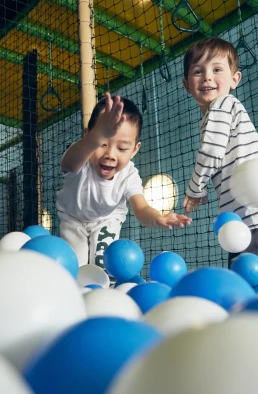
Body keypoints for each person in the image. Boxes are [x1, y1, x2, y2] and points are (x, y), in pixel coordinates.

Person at [180, 37, 258, 285]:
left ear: (234, 79)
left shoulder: (223, 104)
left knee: (255, 270)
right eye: (198, 71)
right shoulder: (218, 114)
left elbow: (211, 152)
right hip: (243, 214)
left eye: (217, 69)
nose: (207, 77)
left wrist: (195, 188)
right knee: (243, 272)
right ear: (187, 85)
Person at [57, 93, 192, 268]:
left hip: (107, 219)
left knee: (103, 267)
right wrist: (96, 136)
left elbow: (141, 208)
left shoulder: (129, 175)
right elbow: (69, 163)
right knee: (74, 267)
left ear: (134, 150)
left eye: (121, 148)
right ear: (88, 136)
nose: (110, 155)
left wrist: (157, 218)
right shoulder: (81, 158)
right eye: (102, 143)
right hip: (73, 217)